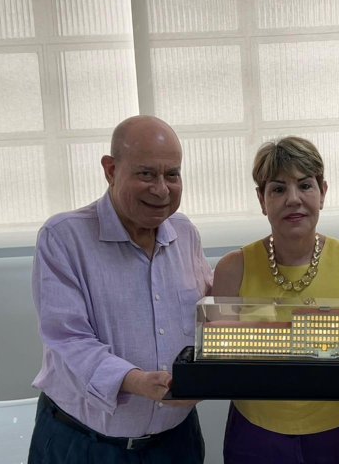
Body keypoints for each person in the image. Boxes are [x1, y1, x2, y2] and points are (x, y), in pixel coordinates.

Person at [28, 115, 212, 463]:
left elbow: (211, 314)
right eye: (147, 174)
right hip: (84, 444)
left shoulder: (185, 233)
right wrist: (136, 381)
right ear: (111, 170)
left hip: (176, 443)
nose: (162, 189)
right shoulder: (64, 237)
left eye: (172, 175)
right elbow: (68, 340)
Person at [212, 136, 339, 464]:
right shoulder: (233, 268)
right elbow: (222, 360)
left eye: (305, 185)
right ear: (262, 199)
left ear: (322, 192)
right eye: (278, 189)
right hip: (256, 434)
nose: (293, 199)